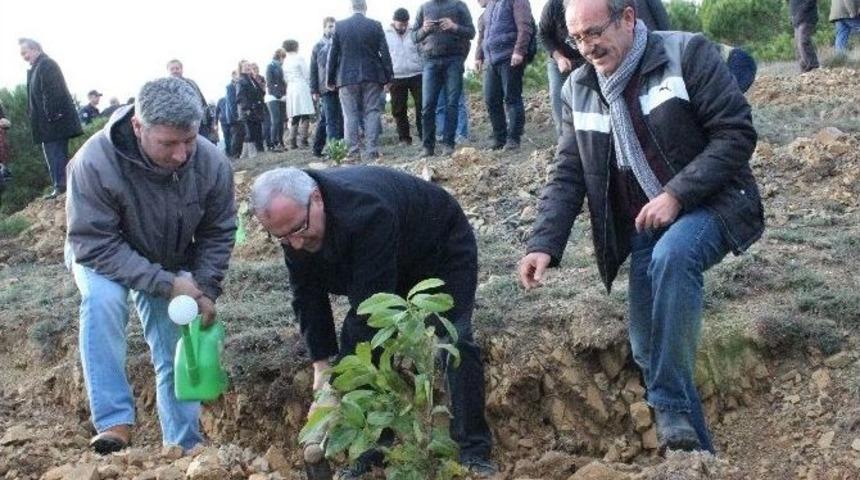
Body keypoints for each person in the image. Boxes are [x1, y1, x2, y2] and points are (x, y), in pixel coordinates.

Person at [517, 0, 763, 455]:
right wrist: (543, 244)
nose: (588, 47)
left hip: (712, 202)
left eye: (595, 32)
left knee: (676, 255)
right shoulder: (579, 89)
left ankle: (668, 403)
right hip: (647, 223)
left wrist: (677, 194)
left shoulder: (685, 54)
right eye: (578, 39)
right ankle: (697, 460)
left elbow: (735, 133)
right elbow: (569, 172)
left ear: (628, 18)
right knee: (648, 349)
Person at [250, 166, 496, 477]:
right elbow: (307, 295)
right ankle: (374, 455)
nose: (295, 244)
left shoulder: (366, 212)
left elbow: (369, 312)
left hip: (438, 250)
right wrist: (321, 364)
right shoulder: (294, 225)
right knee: (373, 355)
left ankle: (474, 451)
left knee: (453, 339)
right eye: (282, 238)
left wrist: (335, 388)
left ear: (317, 199)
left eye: (299, 230)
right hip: (383, 260)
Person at [65, 76, 236, 455]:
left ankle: (182, 444)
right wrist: (162, 282)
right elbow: (94, 243)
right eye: (168, 144)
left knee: (174, 336)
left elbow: (219, 230)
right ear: (139, 127)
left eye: (188, 140)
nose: (181, 154)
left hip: (168, 259)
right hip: (102, 254)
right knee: (103, 302)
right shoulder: (94, 162)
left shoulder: (210, 163)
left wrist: (204, 287)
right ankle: (114, 421)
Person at [327, 0, 394, 161]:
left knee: (350, 115)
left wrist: (330, 79)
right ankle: (372, 150)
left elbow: (333, 55)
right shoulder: (375, 25)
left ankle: (353, 152)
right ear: (365, 8)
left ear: (350, 8)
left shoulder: (340, 26)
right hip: (372, 75)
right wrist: (389, 76)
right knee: (372, 112)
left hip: (346, 77)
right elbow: (385, 53)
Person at [19, 38, 83, 199]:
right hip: (47, 123)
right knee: (53, 154)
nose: (23, 56)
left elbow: (53, 91)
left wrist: (52, 115)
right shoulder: (37, 67)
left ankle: (61, 187)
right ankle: (60, 185)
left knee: (56, 154)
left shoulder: (47, 64)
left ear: (35, 49)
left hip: (54, 122)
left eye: (24, 52)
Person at [413, 0, 475, 157]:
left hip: (454, 60)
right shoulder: (424, 8)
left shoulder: (459, 5)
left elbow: (471, 32)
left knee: (452, 103)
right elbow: (414, 37)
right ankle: (428, 147)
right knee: (427, 105)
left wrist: (454, 26)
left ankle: (448, 144)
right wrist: (424, 29)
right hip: (430, 61)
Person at [475, 0, 534, 151]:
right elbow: (483, 35)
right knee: (491, 100)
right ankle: (499, 138)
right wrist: (478, 56)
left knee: (512, 98)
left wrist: (519, 51)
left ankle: (513, 139)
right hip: (491, 60)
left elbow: (525, 27)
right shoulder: (489, 6)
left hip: (510, 56)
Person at [539, 0, 586, 138]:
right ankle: (564, 139)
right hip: (559, 58)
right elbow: (543, 35)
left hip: (586, 56)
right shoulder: (552, 6)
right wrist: (559, 58)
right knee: (557, 95)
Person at [385, 8, 424, 146]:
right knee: (398, 109)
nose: (403, 27)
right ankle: (404, 138)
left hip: (417, 74)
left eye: (405, 24)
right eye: (400, 24)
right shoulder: (386, 34)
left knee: (422, 106)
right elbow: (384, 57)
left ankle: (424, 135)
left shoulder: (415, 30)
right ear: (394, 22)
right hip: (396, 76)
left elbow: (422, 50)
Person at [310, 17, 344, 158]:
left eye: (334, 26)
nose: (332, 29)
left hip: (340, 85)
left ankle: (317, 148)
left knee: (328, 119)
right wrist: (314, 90)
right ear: (324, 28)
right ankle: (335, 151)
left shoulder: (341, 43)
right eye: (330, 26)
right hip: (325, 87)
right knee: (331, 120)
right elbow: (313, 69)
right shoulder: (318, 46)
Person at [167, 59, 215, 140]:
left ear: (182, 69)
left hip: (199, 122)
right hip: (179, 124)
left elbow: (202, 101)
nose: (175, 71)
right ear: (168, 71)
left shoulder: (191, 83)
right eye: (172, 69)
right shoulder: (165, 87)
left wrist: (210, 122)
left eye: (177, 68)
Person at [283, 40, 316, 150]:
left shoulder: (285, 61)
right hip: (301, 86)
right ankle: (303, 140)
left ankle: (292, 141)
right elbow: (306, 73)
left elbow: (285, 77)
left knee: (295, 114)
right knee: (305, 113)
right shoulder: (299, 58)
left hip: (291, 88)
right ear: (296, 47)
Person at [237, 60, 267, 158]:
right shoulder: (241, 80)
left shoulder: (252, 79)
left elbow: (259, 92)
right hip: (249, 111)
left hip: (257, 109)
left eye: (249, 65)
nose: (248, 67)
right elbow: (240, 96)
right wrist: (247, 109)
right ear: (241, 68)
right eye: (245, 66)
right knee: (251, 133)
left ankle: (260, 152)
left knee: (258, 131)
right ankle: (252, 155)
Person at [266, 49, 287, 151]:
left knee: (281, 120)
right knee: (276, 120)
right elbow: (269, 83)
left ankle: (281, 142)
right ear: (280, 57)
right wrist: (278, 95)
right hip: (273, 97)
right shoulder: (270, 66)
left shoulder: (283, 67)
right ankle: (273, 143)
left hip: (282, 97)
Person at [790, 0, 820, 73]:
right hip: (797, 18)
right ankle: (804, 68)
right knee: (797, 45)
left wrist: (801, 12)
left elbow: (811, 2)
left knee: (803, 41)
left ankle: (813, 65)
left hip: (807, 17)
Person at [225, 70, 244, 158]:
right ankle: (234, 154)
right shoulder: (230, 87)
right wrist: (236, 115)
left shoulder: (238, 85)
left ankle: (238, 154)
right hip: (234, 116)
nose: (238, 77)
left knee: (240, 134)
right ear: (233, 76)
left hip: (239, 113)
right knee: (236, 135)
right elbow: (231, 102)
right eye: (237, 75)